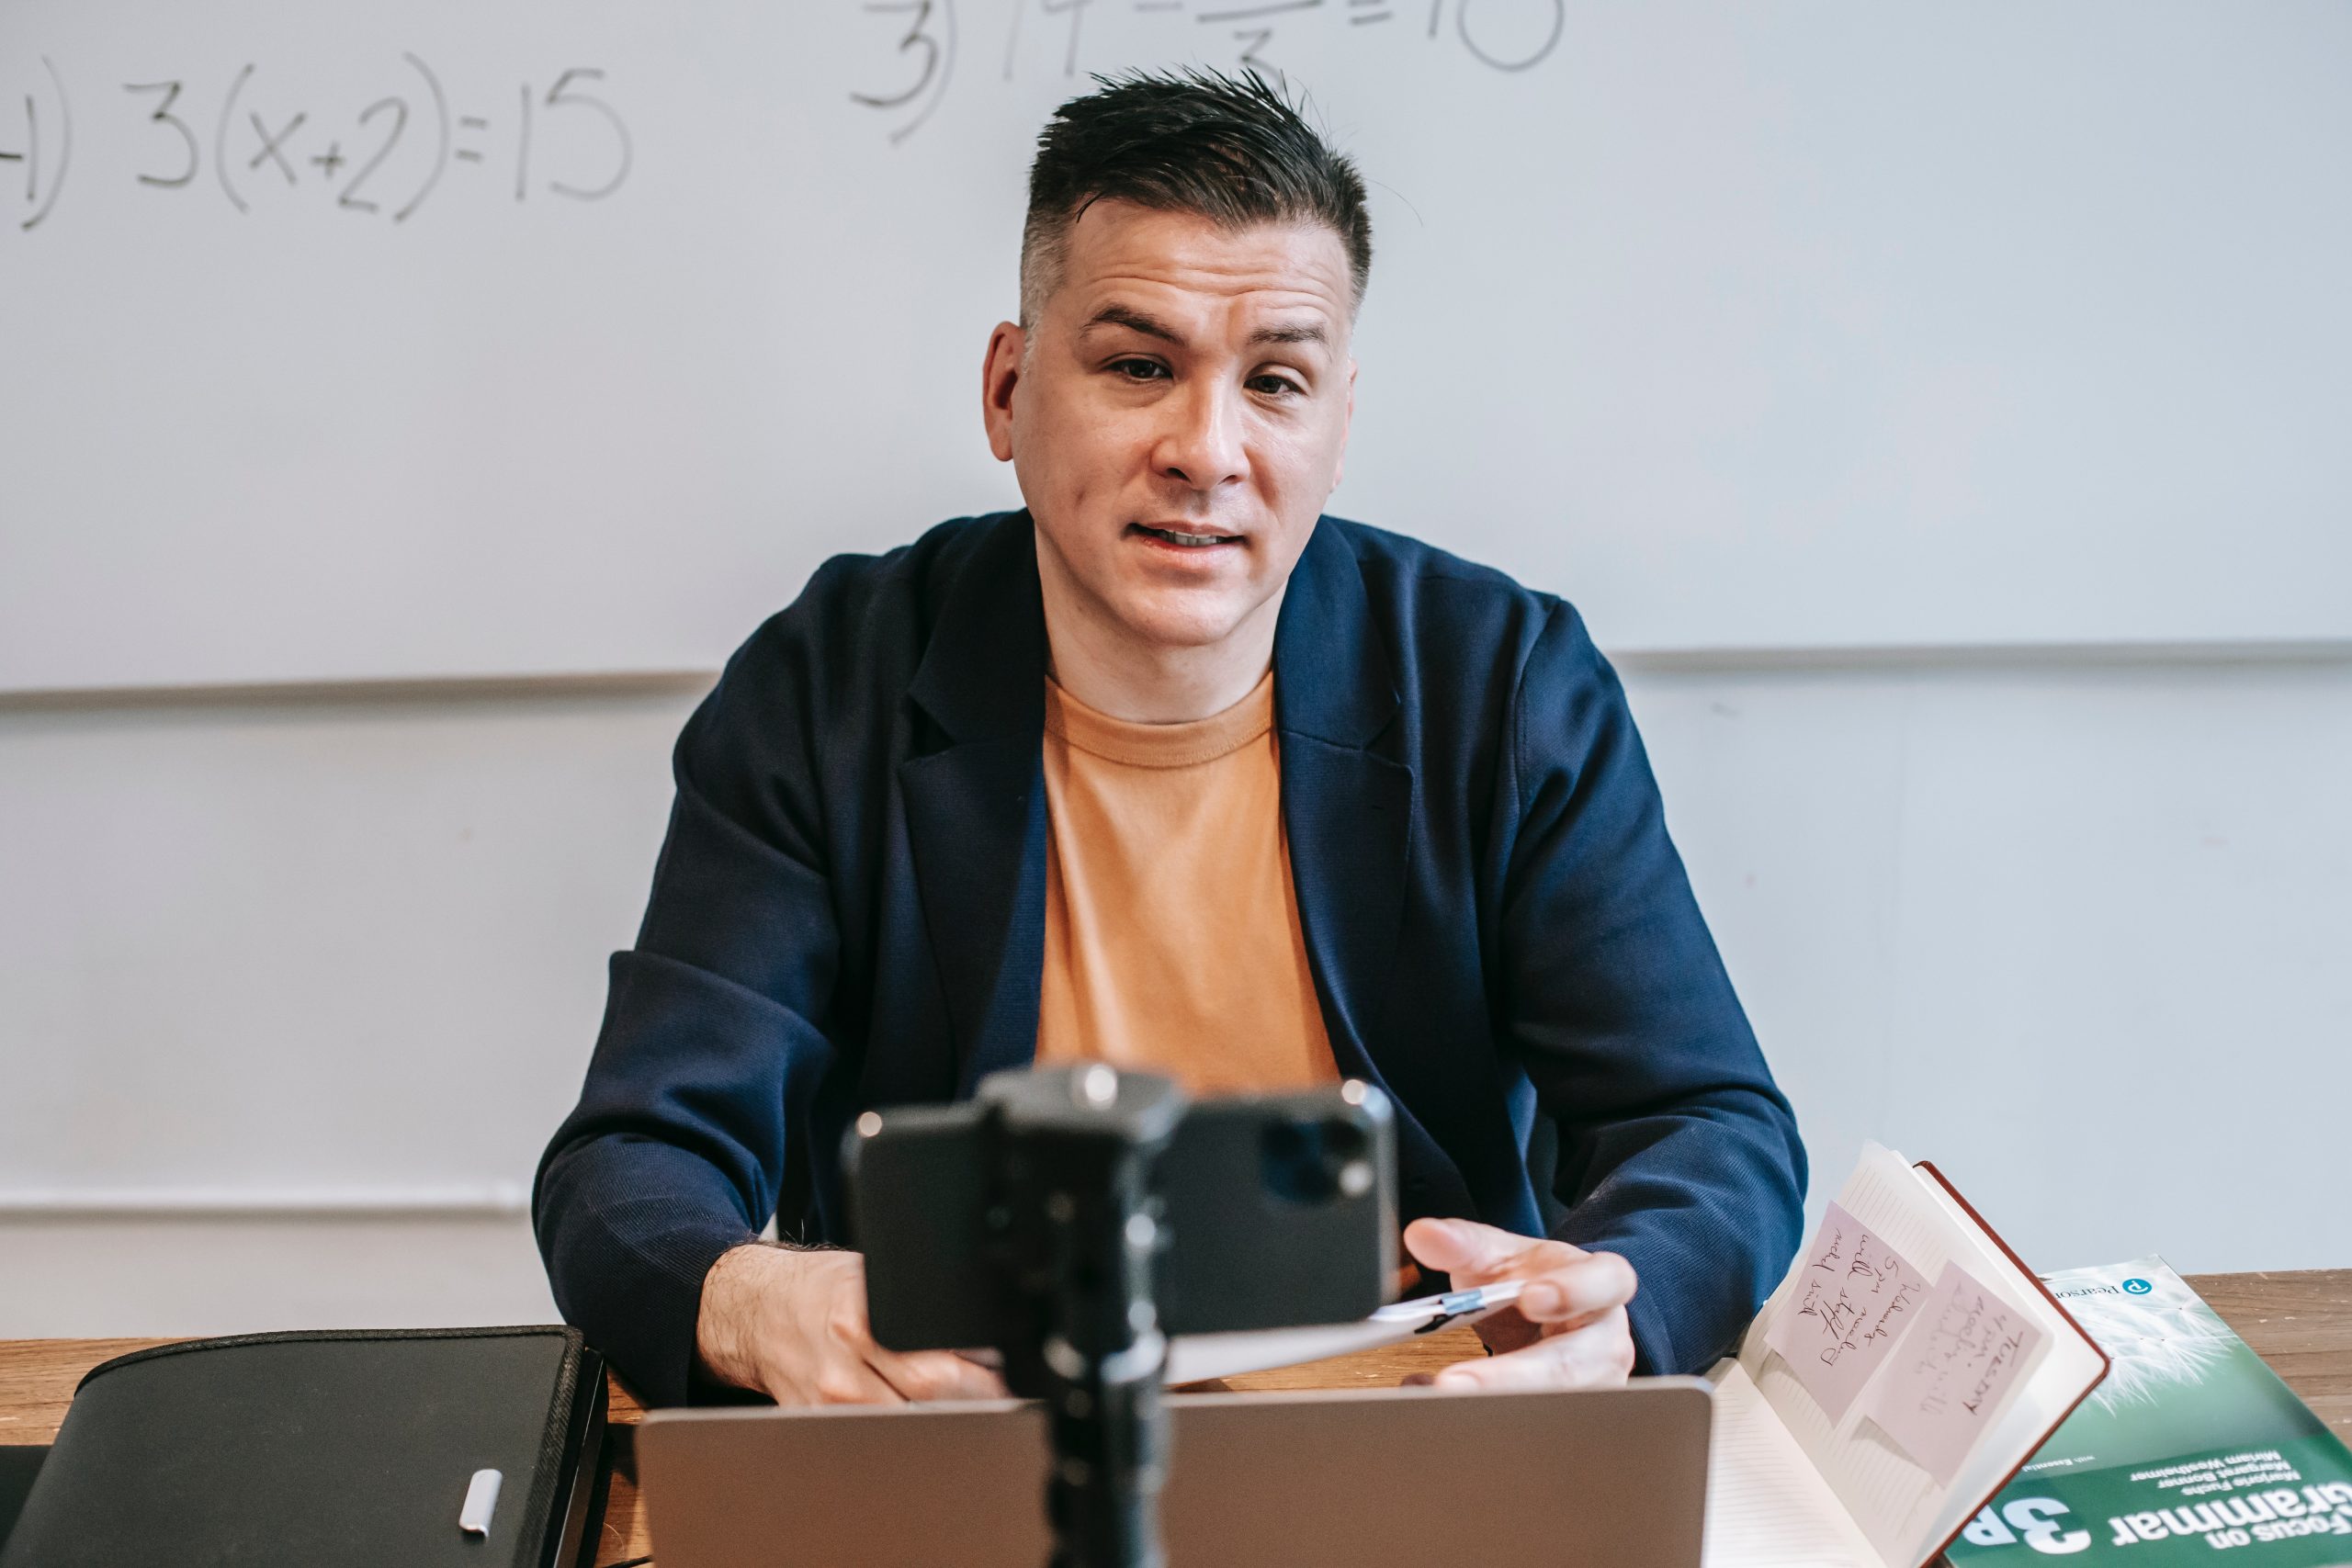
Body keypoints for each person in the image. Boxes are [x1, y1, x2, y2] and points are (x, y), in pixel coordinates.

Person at [535, 68, 1804, 1410]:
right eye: (1140, 366)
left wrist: (1618, 1311)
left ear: (1339, 421)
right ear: (1010, 391)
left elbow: (1712, 1128)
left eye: (1276, 383)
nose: (1208, 449)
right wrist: (753, 1297)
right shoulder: (827, 682)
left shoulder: (1502, 680)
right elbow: (630, 1163)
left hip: (1414, 1424)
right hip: (968, 1431)